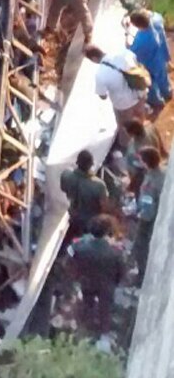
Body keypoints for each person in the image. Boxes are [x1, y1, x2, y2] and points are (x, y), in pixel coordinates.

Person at [67, 215, 124, 339]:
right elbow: (120, 271)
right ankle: (104, 336)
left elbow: (70, 258)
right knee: (105, 310)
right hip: (107, 286)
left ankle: (86, 333)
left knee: (87, 305)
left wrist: (77, 276)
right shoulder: (115, 251)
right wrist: (116, 282)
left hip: (87, 282)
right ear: (108, 232)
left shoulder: (79, 246)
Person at [84, 44, 147, 130]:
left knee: (127, 128)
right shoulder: (122, 52)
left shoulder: (100, 75)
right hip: (139, 95)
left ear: (93, 59)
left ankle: (128, 142)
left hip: (123, 105)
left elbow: (103, 96)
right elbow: (135, 61)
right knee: (140, 118)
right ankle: (143, 132)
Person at [133, 146, 166, 283]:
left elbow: (148, 207)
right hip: (160, 215)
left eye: (141, 160)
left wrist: (140, 215)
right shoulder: (163, 174)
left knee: (140, 246)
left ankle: (142, 274)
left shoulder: (150, 183)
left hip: (150, 220)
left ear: (146, 162)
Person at [127, 8, 171, 111]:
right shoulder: (157, 20)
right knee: (163, 77)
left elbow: (131, 52)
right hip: (160, 58)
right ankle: (168, 92)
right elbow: (152, 14)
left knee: (151, 84)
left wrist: (127, 32)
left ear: (138, 26)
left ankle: (157, 102)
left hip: (149, 65)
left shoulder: (141, 40)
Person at [60, 149, 108, 238]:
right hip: (91, 224)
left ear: (77, 162)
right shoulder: (98, 185)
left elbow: (63, 189)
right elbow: (104, 207)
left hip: (73, 217)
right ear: (91, 165)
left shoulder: (66, 175)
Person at [124, 119, 165, 197]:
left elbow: (139, 169)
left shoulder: (140, 146)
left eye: (127, 131)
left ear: (132, 132)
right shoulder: (149, 127)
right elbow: (159, 141)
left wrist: (132, 184)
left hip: (144, 172)